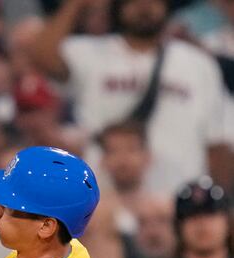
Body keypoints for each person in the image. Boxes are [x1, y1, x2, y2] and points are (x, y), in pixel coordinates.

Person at [32, 0, 233, 193]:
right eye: (133, 2)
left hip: (178, 195)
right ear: (118, 6)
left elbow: (216, 141)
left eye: (154, 1)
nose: (144, 6)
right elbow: (41, 56)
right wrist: (76, 4)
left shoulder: (198, 63)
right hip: (105, 195)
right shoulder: (90, 52)